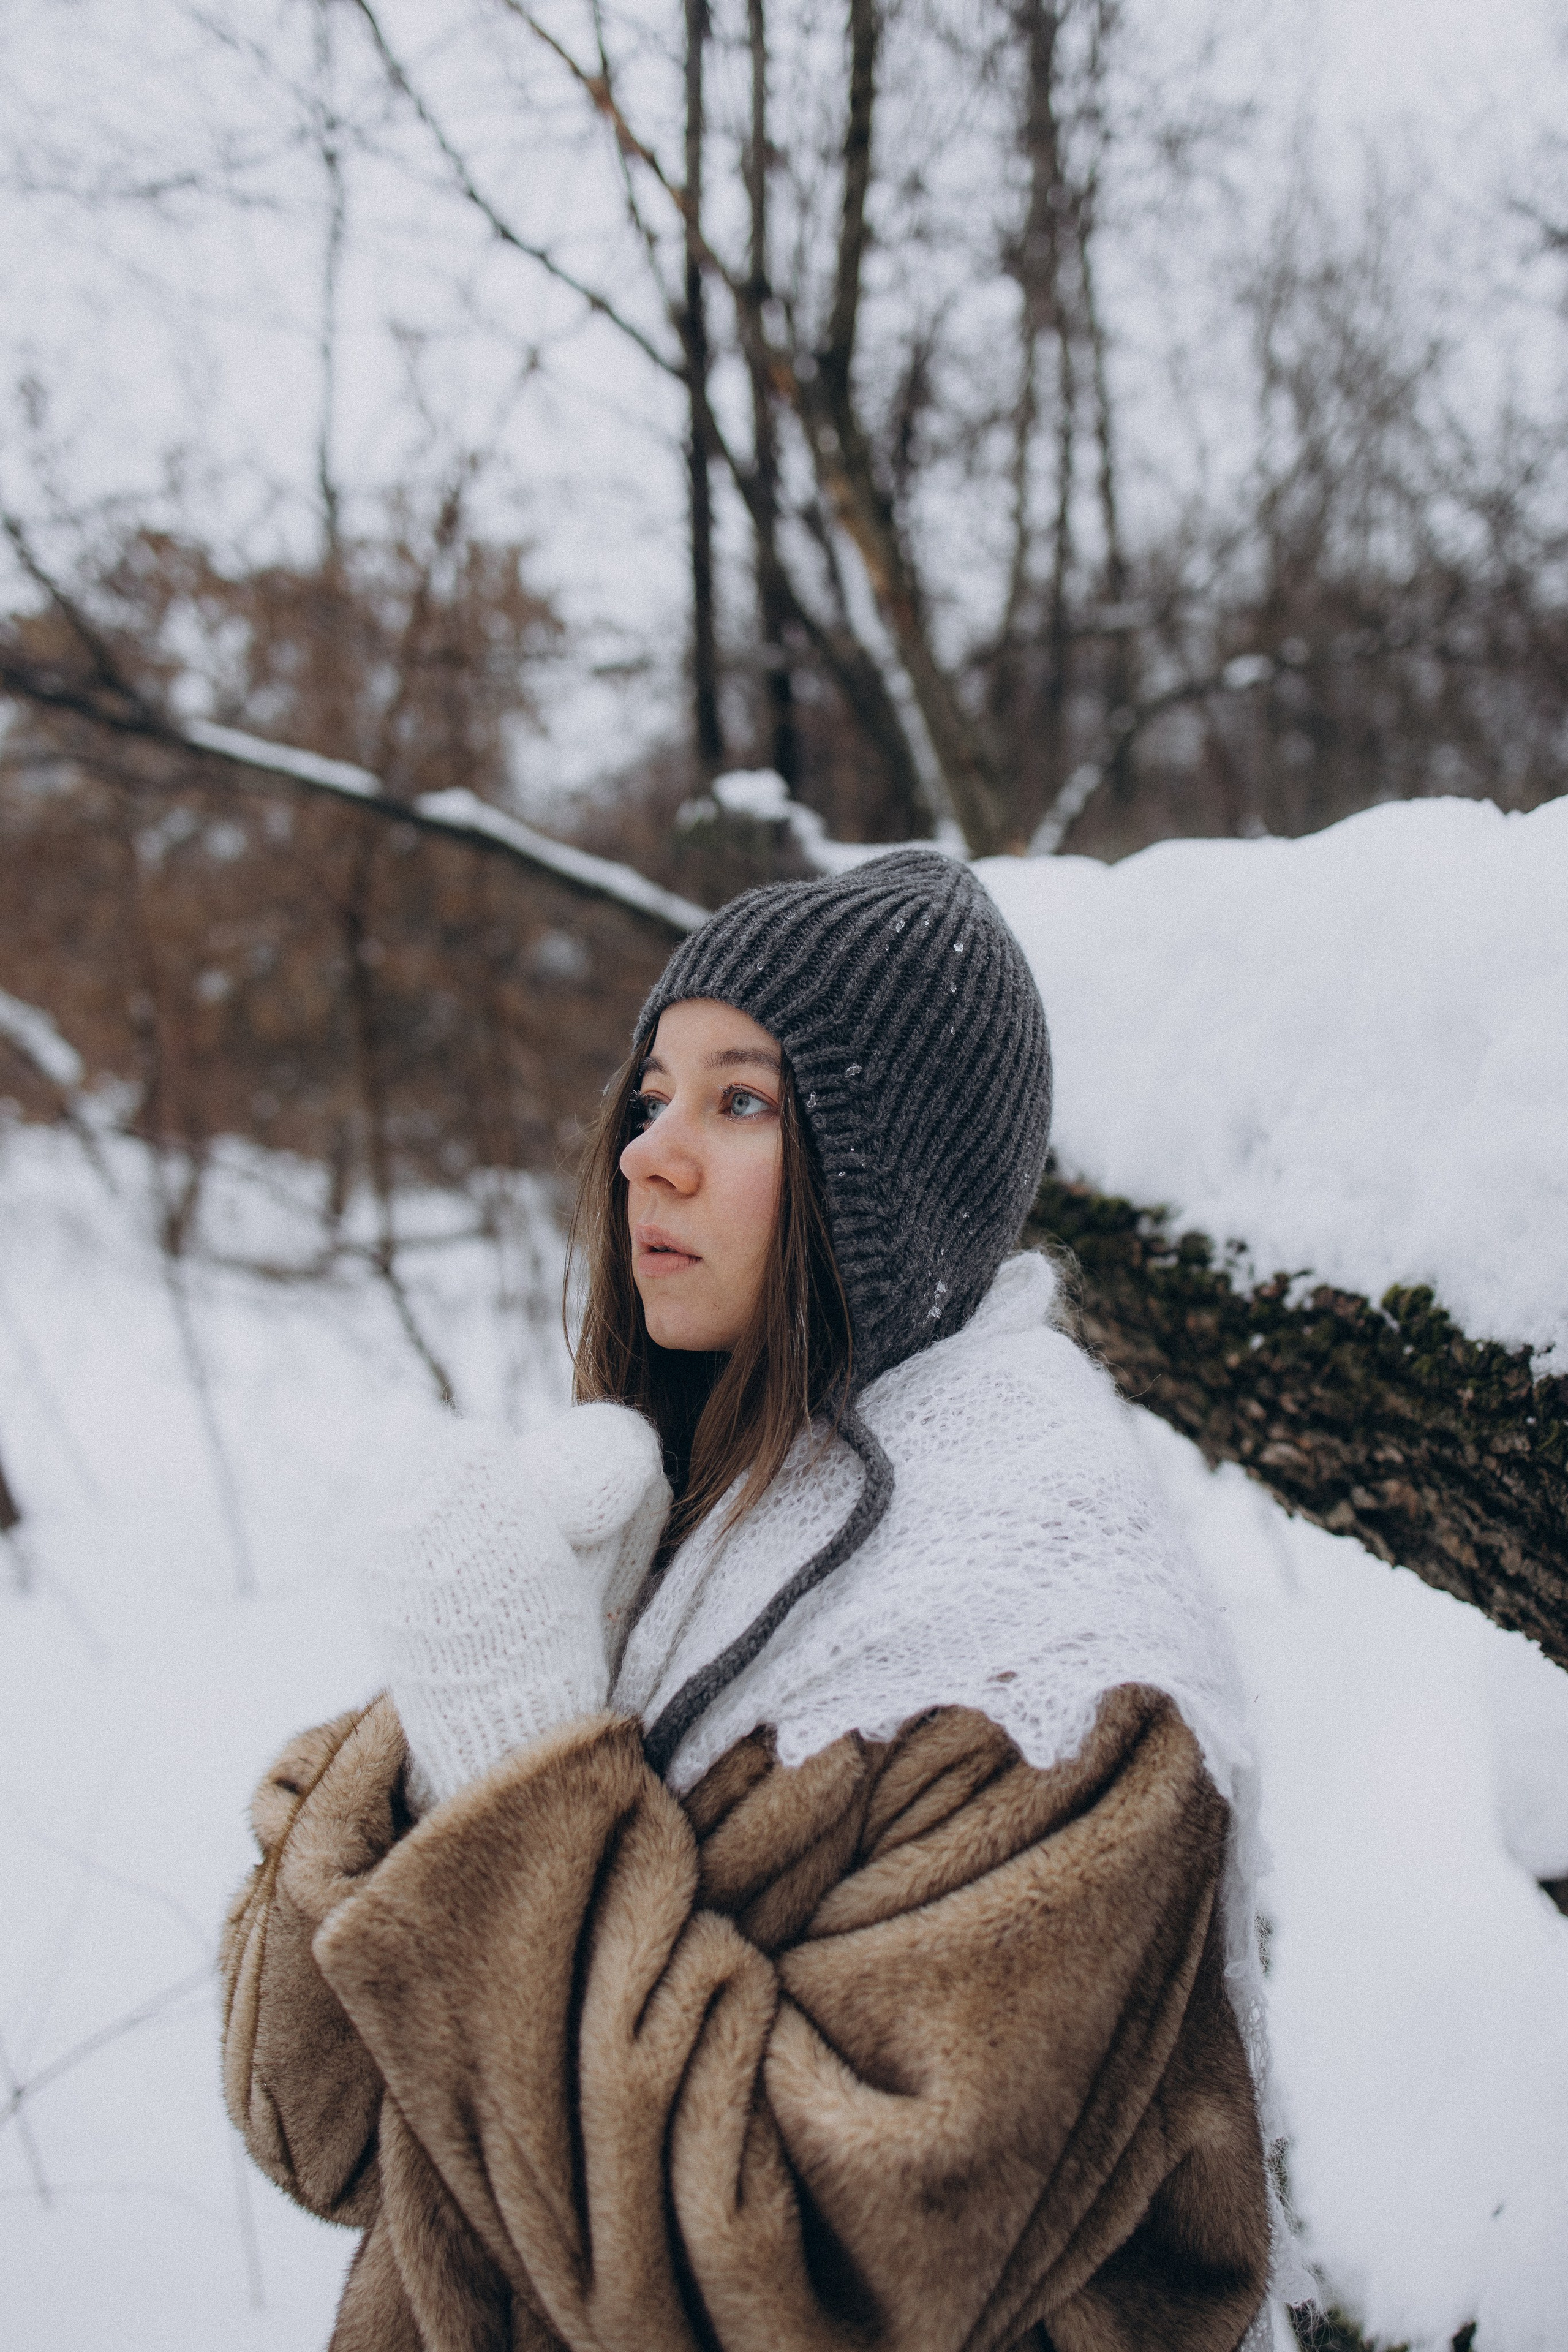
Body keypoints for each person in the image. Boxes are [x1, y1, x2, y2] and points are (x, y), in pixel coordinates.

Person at [222, 850, 1275, 2352]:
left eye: (739, 1100)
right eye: (652, 1094)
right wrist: (463, 1721)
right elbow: (308, 2117)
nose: (650, 1150)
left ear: (884, 1175)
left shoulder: (1052, 1678)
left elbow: (792, 2299)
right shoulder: (698, 1510)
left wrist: (520, 1778)